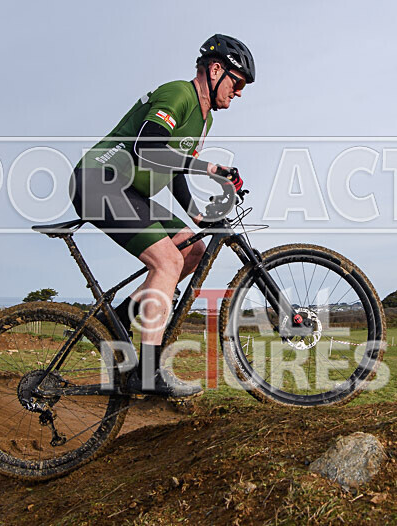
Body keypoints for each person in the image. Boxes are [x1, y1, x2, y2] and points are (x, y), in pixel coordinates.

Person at [70, 34, 255, 398]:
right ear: (216, 70)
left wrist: (195, 215)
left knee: (193, 250)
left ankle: (119, 316)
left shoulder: (205, 121)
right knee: (168, 260)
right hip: (99, 181)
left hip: (131, 191)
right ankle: (149, 372)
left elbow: (172, 170)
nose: (239, 93)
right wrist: (210, 167)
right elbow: (147, 148)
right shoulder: (179, 94)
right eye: (237, 83)